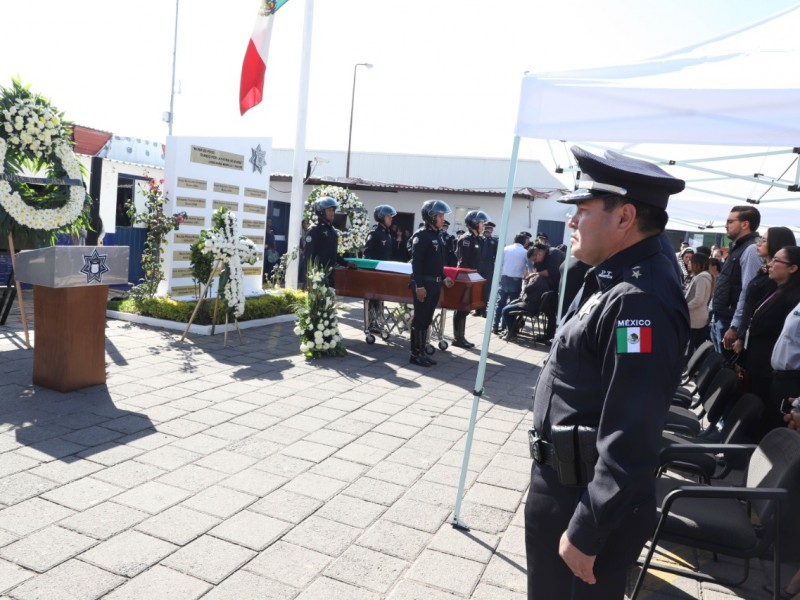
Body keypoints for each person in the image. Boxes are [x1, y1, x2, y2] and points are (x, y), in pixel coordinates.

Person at [525, 146, 689, 599]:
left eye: (583, 209)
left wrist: (587, 527)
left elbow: (632, 428)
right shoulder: (616, 279)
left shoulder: (639, 300)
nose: (572, 222)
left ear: (625, 217)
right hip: (567, 482)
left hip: (583, 499)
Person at [738, 246, 800, 436]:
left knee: (776, 431)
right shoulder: (779, 291)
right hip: (776, 374)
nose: (770, 264)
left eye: (776, 261)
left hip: (787, 377)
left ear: (792, 268)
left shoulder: (792, 297)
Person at [732, 226, 796, 358]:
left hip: (762, 349)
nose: (759, 243)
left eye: (764, 240)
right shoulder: (765, 272)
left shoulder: (777, 281)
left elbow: (765, 317)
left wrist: (741, 334)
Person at [407, 199, 455, 367]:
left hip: (435, 284)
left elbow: (437, 264)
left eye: (443, 216)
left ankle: (422, 352)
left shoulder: (438, 235)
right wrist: (419, 286)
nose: (443, 219)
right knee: (420, 319)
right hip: (424, 284)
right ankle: (415, 354)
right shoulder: (421, 236)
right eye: (440, 216)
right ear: (431, 216)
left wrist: (443, 278)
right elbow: (417, 263)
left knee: (427, 319)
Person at [710, 205, 761, 357]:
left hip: (729, 321)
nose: (726, 225)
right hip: (722, 318)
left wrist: (735, 326)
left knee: (727, 370)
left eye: (730, 221)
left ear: (745, 224)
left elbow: (748, 290)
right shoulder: (738, 247)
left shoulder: (751, 249)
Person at [453, 210, 489, 348]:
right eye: (481, 222)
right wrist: (468, 279)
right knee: (462, 308)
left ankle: (461, 337)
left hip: (474, 278)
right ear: (473, 223)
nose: (483, 225)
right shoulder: (466, 239)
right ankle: (458, 338)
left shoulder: (478, 239)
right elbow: (463, 263)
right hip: (465, 279)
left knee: (466, 309)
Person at [363, 205, 397, 331]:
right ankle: (371, 323)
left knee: (380, 298)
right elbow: (367, 253)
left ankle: (379, 320)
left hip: (384, 271)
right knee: (372, 298)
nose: (390, 219)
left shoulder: (388, 233)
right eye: (388, 216)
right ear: (381, 217)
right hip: (374, 272)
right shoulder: (374, 233)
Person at [304, 196, 348, 287]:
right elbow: (308, 256)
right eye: (329, 210)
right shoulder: (314, 230)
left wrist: (346, 263)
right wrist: (312, 277)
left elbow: (333, 253)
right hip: (317, 277)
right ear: (321, 212)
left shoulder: (332, 230)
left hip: (330, 275)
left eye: (333, 210)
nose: (332, 213)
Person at [492, 233, 529, 334]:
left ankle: (495, 325)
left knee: (500, 303)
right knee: (511, 306)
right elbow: (529, 268)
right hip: (516, 280)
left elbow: (499, 262)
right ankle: (505, 327)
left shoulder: (506, 249)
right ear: (525, 242)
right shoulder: (525, 252)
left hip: (505, 278)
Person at [684, 252, 713, 356]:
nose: (688, 263)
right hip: (698, 316)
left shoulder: (701, 277)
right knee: (695, 345)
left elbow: (698, 299)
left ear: (698, 263)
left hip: (696, 318)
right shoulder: (703, 276)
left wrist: (684, 307)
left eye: (691, 261)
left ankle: (690, 369)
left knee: (691, 347)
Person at [474, 221, 499, 317]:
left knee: (486, 288)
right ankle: (477, 309)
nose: (488, 231)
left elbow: (497, 254)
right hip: (479, 266)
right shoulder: (479, 239)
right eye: (487, 228)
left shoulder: (495, 241)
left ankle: (484, 309)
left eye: (490, 229)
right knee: (477, 287)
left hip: (489, 266)